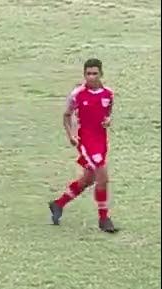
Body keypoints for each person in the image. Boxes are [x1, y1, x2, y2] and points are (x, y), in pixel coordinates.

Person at [49, 58, 117, 233]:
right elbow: (66, 115)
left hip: (101, 140)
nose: (91, 77)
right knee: (102, 175)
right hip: (85, 140)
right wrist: (71, 134)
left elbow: (108, 111)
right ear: (84, 74)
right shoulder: (77, 94)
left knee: (89, 179)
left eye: (95, 73)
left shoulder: (108, 94)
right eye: (88, 74)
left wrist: (108, 120)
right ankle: (104, 219)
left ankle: (58, 204)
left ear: (101, 74)